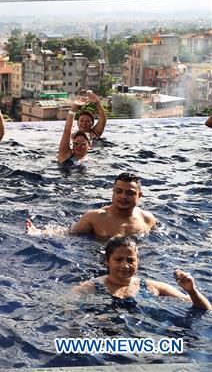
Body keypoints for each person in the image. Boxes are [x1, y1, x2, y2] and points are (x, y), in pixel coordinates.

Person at [73, 235, 210, 310]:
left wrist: (191, 291)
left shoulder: (155, 287)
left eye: (130, 260)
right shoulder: (89, 288)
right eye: (118, 259)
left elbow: (207, 309)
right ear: (107, 261)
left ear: (138, 261)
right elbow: (66, 310)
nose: (125, 265)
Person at [26, 172, 156, 238]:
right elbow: (68, 233)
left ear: (139, 195)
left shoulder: (147, 219)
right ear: (113, 192)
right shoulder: (95, 218)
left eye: (129, 193)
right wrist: (39, 232)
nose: (123, 196)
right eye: (118, 191)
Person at [57, 101, 91, 168]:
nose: (79, 146)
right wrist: (73, 110)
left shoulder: (90, 161)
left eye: (83, 144)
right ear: (72, 144)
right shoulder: (65, 155)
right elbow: (67, 130)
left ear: (89, 146)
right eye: (76, 143)